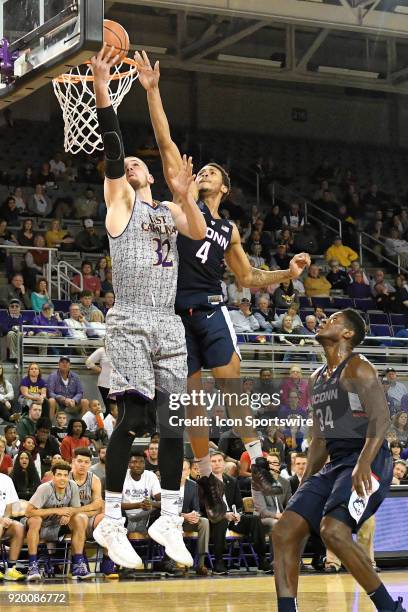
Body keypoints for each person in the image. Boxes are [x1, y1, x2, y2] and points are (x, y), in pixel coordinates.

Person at [135, 49, 309, 523]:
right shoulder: (183, 200)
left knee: (230, 385)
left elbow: (249, 278)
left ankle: (253, 457)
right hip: (175, 314)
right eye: (203, 170)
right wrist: (153, 91)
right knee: (190, 400)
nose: (205, 172)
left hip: (211, 309)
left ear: (225, 189)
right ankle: (207, 475)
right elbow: (165, 140)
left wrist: (288, 275)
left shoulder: (228, 230)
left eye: (213, 173)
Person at [90, 45, 207, 570]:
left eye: (141, 164)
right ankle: (110, 520)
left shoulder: (166, 207)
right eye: (126, 165)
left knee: (172, 422)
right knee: (134, 418)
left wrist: (184, 194)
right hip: (132, 318)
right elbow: (115, 149)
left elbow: (201, 233)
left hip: (169, 324)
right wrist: (102, 92)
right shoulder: (120, 204)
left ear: (153, 177)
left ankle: (169, 517)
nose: (132, 165)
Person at [272, 309, 403, 612]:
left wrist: (364, 463)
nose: (324, 321)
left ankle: (390, 608)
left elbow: (382, 421)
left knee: (334, 530)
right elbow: (319, 441)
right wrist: (302, 490)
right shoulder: (317, 378)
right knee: (283, 531)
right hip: (337, 463)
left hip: (370, 460)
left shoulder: (358, 367)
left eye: (332, 319)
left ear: (347, 334)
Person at [24, 460, 93, 580]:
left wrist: (69, 513)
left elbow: (76, 509)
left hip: (59, 525)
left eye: (65, 475)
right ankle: (32, 566)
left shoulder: (72, 486)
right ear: (53, 476)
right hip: (40, 525)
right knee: (35, 520)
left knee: (80, 518)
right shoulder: (44, 488)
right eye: (59, 475)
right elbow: (28, 512)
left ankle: (77, 565)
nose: (63, 478)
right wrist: (56, 511)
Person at [208, 452, 272, 574]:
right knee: (221, 521)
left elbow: (239, 504)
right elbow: (205, 506)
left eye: (219, 460)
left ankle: (262, 560)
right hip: (215, 518)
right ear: (209, 464)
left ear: (224, 463)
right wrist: (224, 515)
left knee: (255, 519)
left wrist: (238, 514)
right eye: (213, 461)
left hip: (233, 518)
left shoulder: (232, 481)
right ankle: (219, 562)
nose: (217, 464)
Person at [69, 448, 109, 574]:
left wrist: (79, 511)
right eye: (79, 461)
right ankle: (79, 560)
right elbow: (63, 508)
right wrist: (82, 513)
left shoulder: (94, 479)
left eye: (86, 462)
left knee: (107, 520)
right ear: (73, 461)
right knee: (80, 519)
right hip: (68, 519)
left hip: (87, 515)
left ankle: (107, 560)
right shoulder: (66, 477)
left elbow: (98, 504)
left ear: (90, 464)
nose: (82, 465)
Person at [180, 458, 210, 575]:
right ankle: (176, 563)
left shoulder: (193, 486)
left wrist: (194, 515)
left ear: (188, 472)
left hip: (186, 521)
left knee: (204, 522)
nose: (180, 472)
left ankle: (201, 563)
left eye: (183, 470)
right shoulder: (167, 485)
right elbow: (164, 509)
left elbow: (196, 508)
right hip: (170, 521)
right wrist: (183, 515)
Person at [0, 471, 25, 581]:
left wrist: (6, 518)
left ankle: (10, 569)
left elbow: (9, 508)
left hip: (1, 521)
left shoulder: (6, 480)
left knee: (18, 527)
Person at [85, 345, 113, 414]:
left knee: (119, 409)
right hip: (105, 383)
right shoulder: (102, 350)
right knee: (109, 409)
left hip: (120, 384)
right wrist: (99, 370)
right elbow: (88, 362)